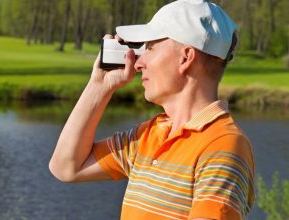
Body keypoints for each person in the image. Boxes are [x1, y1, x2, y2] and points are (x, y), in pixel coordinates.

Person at [49, 0, 255, 219]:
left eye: (150, 48)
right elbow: (66, 167)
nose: (138, 63)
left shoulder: (223, 146)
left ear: (185, 57)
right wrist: (99, 86)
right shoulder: (149, 135)